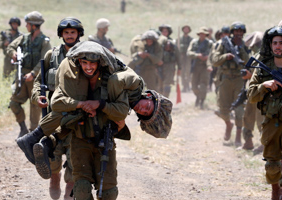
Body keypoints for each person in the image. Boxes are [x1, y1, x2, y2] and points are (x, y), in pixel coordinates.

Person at [18, 41, 173, 200]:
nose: (142, 110)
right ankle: (42, 140)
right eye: (147, 107)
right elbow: (114, 83)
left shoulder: (127, 102)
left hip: (103, 139)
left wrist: (110, 116)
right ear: (150, 97)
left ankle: (47, 141)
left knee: (108, 193)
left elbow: (117, 117)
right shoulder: (133, 84)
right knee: (82, 189)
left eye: (144, 114)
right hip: (81, 136)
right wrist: (99, 104)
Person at [30, 17, 84, 200]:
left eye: (73, 32)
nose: (69, 36)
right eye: (66, 33)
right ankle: (55, 181)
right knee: (53, 160)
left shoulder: (87, 56)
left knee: (74, 162)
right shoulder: (51, 56)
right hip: (53, 117)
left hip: (78, 118)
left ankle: (69, 191)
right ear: (61, 34)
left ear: (79, 34)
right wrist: (39, 97)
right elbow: (38, 83)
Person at [247, 26, 282, 200]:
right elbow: (251, 95)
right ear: (270, 45)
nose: (278, 46)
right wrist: (264, 86)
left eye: (281, 43)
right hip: (271, 121)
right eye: (275, 43)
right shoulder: (263, 65)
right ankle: (275, 191)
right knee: (272, 163)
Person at [7, 11, 51, 138]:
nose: (25, 26)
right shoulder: (24, 38)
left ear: (34, 25)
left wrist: (33, 73)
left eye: (28, 24)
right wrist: (13, 54)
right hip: (21, 76)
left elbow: (44, 59)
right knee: (14, 103)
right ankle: (23, 128)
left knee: (35, 106)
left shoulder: (45, 41)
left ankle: (33, 134)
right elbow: (10, 47)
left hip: (36, 78)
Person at [212, 22, 249, 146]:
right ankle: (228, 124)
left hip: (239, 80)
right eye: (236, 31)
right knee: (223, 109)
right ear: (232, 32)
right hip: (226, 79)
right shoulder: (223, 44)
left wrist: (242, 50)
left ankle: (238, 136)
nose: (238, 34)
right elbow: (214, 61)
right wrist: (225, 56)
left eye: (241, 32)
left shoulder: (244, 45)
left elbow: (248, 62)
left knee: (239, 109)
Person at [240, 31, 264, 152]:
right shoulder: (255, 55)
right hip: (252, 90)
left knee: (261, 119)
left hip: (260, 91)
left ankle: (264, 144)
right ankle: (248, 142)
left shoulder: (263, 55)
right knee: (248, 116)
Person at [187, 27, 213, 109]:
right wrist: (197, 55)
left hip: (205, 67)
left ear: (206, 35)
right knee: (194, 86)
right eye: (201, 33)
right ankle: (198, 96)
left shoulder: (210, 43)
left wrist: (207, 59)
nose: (202, 35)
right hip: (195, 66)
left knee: (203, 85)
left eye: (204, 34)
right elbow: (189, 52)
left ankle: (202, 101)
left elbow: (213, 54)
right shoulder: (194, 42)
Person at [158, 24, 181, 97]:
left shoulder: (172, 42)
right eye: (163, 31)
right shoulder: (157, 42)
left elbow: (178, 55)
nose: (164, 33)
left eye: (166, 31)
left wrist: (179, 67)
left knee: (167, 85)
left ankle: (165, 100)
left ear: (168, 32)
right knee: (159, 86)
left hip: (169, 66)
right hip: (159, 66)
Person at [178, 25, 193, 92]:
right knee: (182, 72)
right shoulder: (179, 39)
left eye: (187, 29)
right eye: (185, 29)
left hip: (188, 58)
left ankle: (188, 85)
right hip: (181, 57)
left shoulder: (191, 39)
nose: (186, 30)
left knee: (188, 72)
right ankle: (184, 86)